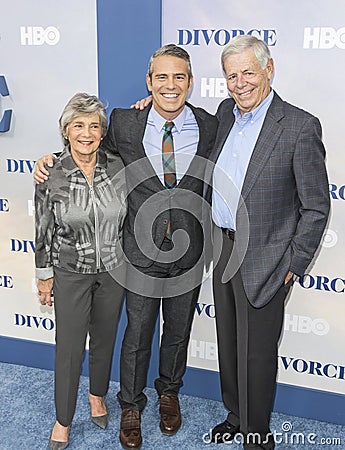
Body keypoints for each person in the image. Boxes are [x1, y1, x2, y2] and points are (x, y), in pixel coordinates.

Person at [33, 45, 218, 450]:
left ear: (190, 81)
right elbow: (84, 148)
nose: (171, 85)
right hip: (136, 251)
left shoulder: (210, 123)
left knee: (178, 330)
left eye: (179, 77)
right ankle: (130, 404)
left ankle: (169, 393)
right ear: (149, 83)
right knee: (136, 333)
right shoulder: (125, 123)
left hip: (189, 250)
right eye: (162, 78)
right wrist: (49, 160)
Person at [208, 35, 330, 449]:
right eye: (231, 75)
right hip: (223, 248)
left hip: (267, 256)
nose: (239, 83)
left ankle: (256, 435)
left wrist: (293, 264)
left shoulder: (299, 125)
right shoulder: (226, 114)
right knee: (228, 343)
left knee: (257, 355)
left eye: (248, 72)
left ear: (269, 70)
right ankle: (236, 416)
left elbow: (316, 206)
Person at [35, 93, 127, 450]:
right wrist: (44, 275)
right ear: (66, 131)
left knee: (104, 338)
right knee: (70, 347)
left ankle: (98, 395)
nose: (86, 133)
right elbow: (42, 227)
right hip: (70, 269)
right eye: (78, 125)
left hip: (114, 271)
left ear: (102, 132)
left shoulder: (118, 166)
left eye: (93, 126)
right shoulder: (50, 172)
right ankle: (63, 419)